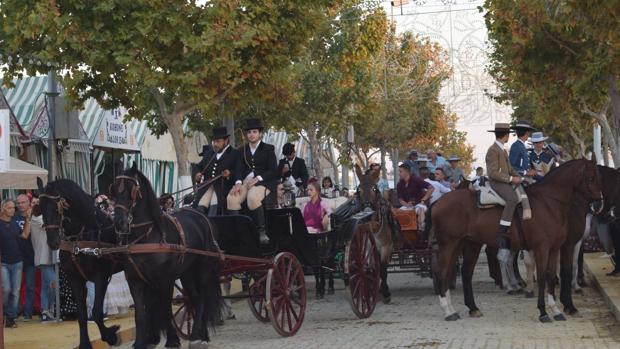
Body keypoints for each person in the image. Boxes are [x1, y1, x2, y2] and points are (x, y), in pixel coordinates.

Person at [227, 118, 278, 244]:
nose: (251, 134)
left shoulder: (268, 149)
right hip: (246, 182)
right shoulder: (241, 150)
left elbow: (274, 171)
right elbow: (238, 169)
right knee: (231, 198)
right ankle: (239, 231)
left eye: (254, 132)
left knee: (252, 198)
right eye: (249, 132)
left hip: (264, 182)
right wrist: (238, 183)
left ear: (260, 133)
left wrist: (259, 178)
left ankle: (261, 232)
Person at [486, 123, 522, 256]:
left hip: (505, 180)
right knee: (512, 199)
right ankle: (502, 232)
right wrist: (512, 180)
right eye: (509, 134)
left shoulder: (503, 150)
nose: (509, 137)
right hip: (497, 183)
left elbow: (510, 169)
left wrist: (521, 178)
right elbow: (493, 173)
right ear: (506, 135)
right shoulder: (493, 150)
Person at [194, 126, 242, 216]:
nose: (215, 144)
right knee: (201, 205)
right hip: (207, 186)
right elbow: (198, 166)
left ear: (226, 141)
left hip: (223, 188)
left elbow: (239, 171)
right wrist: (197, 174)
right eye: (214, 141)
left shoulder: (235, 154)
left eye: (218, 141)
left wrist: (230, 174)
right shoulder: (209, 154)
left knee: (214, 204)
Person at [0, 199, 30, 328]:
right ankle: (5, 313)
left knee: (15, 291)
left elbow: (24, 235)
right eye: (9, 208)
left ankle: (10, 318)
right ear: (3, 209)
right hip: (3, 263)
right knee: (6, 290)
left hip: (17, 261)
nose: (12, 210)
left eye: (13, 208)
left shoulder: (14, 223)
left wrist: (28, 220)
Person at [29, 199, 57, 322]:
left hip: (51, 257)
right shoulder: (36, 218)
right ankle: (47, 310)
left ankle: (46, 311)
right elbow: (48, 222)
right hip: (43, 257)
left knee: (47, 286)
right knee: (53, 284)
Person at [14, 194, 34, 322]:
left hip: (30, 257)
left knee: (30, 286)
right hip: (15, 257)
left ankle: (28, 313)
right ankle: (13, 313)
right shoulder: (12, 217)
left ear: (29, 203)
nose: (21, 205)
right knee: (15, 288)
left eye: (23, 202)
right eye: (18, 203)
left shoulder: (36, 217)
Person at [396, 164, 434, 230]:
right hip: (408, 206)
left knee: (420, 210)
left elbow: (431, 188)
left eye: (400, 171)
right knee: (397, 213)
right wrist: (406, 204)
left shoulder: (416, 180)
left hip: (420, 204)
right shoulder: (399, 184)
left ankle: (422, 229)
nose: (399, 174)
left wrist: (423, 200)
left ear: (406, 172)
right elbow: (400, 199)